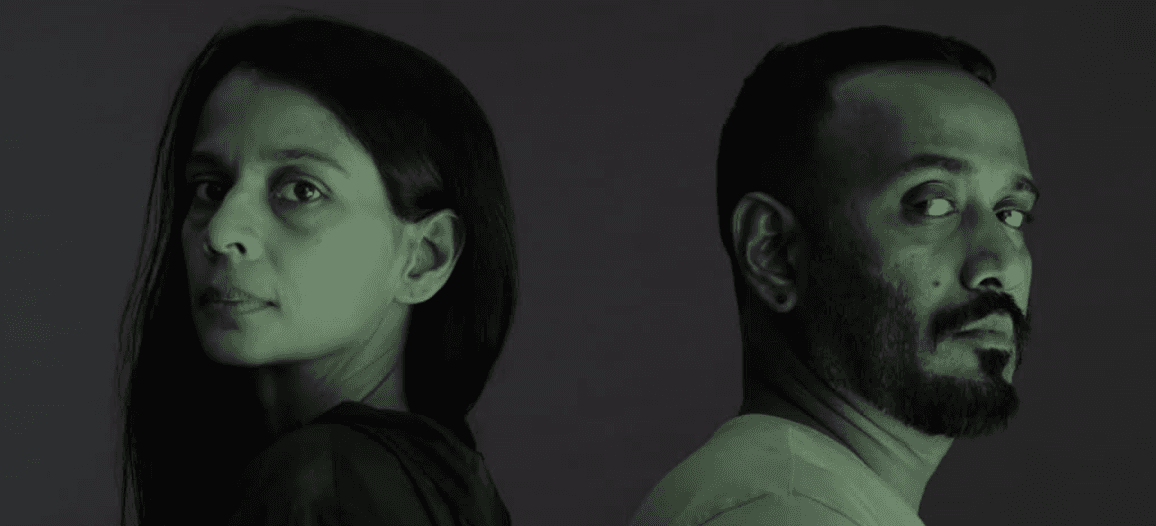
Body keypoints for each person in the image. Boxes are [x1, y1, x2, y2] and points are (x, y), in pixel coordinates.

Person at [114, 11, 517, 526]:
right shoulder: (434, 481)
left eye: (302, 190)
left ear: (423, 258)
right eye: (210, 188)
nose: (220, 231)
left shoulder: (325, 481)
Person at [629, 25, 1038, 526]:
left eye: (1012, 213)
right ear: (773, 254)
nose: (997, 263)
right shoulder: (781, 514)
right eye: (932, 204)